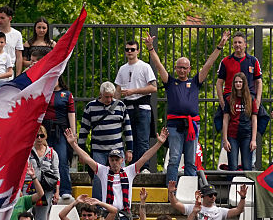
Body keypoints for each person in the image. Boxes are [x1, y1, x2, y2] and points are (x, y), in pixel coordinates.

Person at [145, 30, 230, 185]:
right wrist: (151, 48)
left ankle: (190, 191)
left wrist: (220, 46)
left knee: (191, 161)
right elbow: (158, 65)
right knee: (174, 159)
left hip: (192, 125)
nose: (182, 70)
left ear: (189, 69)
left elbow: (208, 64)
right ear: (176, 69)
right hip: (174, 126)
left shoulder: (195, 82)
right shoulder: (170, 82)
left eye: (185, 68)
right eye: (179, 67)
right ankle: (171, 190)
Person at [77, 82, 133, 200]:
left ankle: (122, 203)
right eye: (106, 96)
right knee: (98, 178)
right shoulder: (90, 107)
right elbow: (83, 131)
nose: (109, 99)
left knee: (120, 176)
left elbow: (128, 129)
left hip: (117, 149)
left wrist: (130, 149)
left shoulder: (120, 106)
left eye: (111, 96)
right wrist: (81, 152)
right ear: (100, 94)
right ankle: (97, 204)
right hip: (99, 150)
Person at [114, 40, 156, 162]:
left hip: (142, 107)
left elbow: (153, 87)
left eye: (132, 49)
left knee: (142, 140)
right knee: (129, 139)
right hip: (127, 108)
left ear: (138, 51)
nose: (130, 52)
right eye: (127, 49)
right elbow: (118, 90)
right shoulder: (122, 69)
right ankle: (132, 166)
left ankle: (144, 167)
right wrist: (113, 105)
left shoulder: (145, 66)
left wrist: (134, 91)